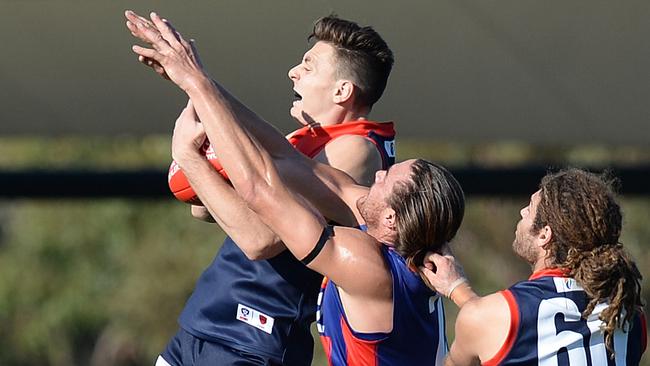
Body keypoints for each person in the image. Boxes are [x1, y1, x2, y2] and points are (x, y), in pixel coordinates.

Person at [127, 10, 466, 365]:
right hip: (209, 323)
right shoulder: (338, 178)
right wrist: (196, 81)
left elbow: (260, 226)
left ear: (342, 90)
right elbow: (282, 157)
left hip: (252, 336)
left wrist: (191, 150)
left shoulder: (364, 251)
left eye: (309, 64)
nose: (380, 174)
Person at [422, 169, 647, 365]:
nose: (522, 212)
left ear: (544, 235)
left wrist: (457, 288)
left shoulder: (489, 316)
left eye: (529, 208)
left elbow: (493, 329)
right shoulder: (629, 315)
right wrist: (459, 290)